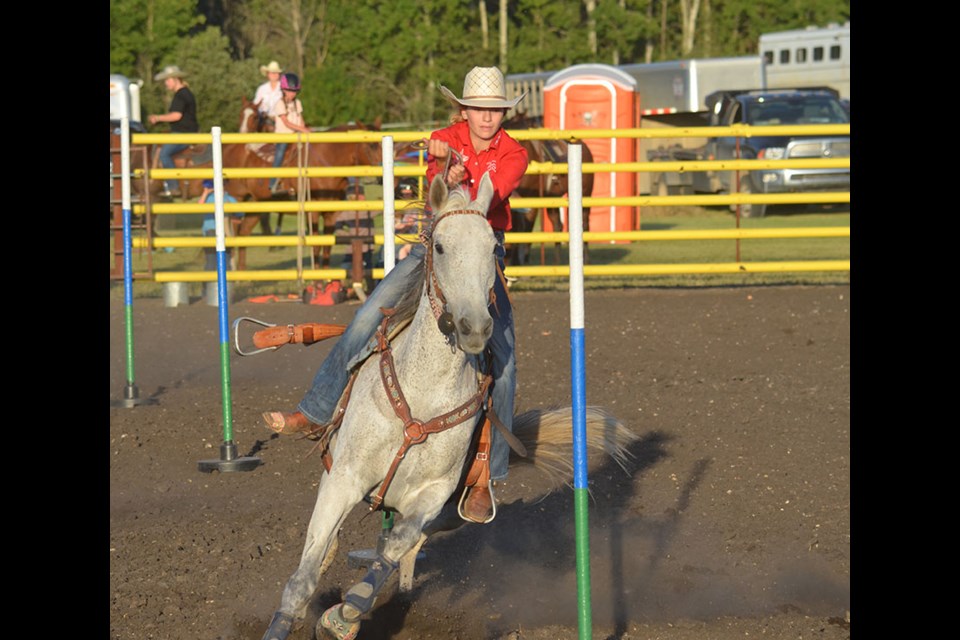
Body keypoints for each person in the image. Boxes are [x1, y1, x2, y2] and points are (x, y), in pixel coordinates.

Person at [262, 66, 528, 522]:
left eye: (495, 110)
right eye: (479, 109)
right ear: (464, 110)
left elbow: (489, 196)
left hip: (483, 250)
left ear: (503, 113)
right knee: (367, 317)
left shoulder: (515, 153)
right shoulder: (442, 136)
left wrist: (458, 172)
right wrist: (443, 164)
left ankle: (486, 473)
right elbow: (434, 197)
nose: (487, 117)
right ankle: (317, 410)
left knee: (504, 363)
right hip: (438, 249)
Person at [148, 65, 198, 197]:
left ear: (176, 79)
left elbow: (177, 115)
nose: (166, 83)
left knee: (164, 154)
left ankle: (173, 186)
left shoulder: (181, 95)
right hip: (187, 132)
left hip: (184, 134)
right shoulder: (185, 93)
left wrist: (157, 118)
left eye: (167, 80)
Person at [269, 72, 310, 194]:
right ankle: (273, 183)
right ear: (283, 90)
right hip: (283, 136)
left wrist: (304, 129)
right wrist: (302, 129)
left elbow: (300, 119)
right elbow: (286, 123)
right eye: (289, 90)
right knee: (280, 154)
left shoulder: (298, 103)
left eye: (294, 91)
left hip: (296, 136)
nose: (292, 94)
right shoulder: (280, 103)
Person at [198, 179, 244, 270]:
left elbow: (239, 215)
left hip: (224, 232)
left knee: (225, 260)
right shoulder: (209, 197)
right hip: (211, 230)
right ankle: (210, 283)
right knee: (211, 261)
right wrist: (206, 192)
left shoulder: (229, 199)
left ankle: (225, 282)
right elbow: (199, 207)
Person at [253, 60, 284, 130]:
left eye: (276, 73)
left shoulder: (283, 88)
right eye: (272, 73)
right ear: (268, 74)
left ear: (279, 74)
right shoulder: (261, 89)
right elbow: (256, 105)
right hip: (263, 120)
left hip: (281, 120)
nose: (274, 75)